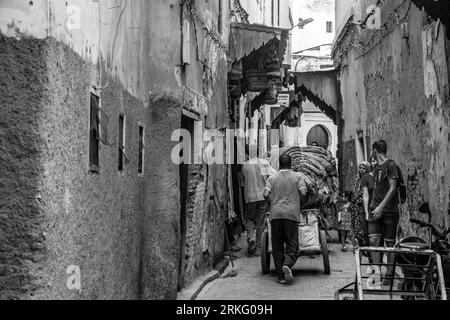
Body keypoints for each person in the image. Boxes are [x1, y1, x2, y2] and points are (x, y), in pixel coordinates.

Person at [263, 155, 308, 285]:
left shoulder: (272, 178)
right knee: (292, 244)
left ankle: (280, 276)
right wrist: (300, 202)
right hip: (292, 214)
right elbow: (304, 192)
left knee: (277, 246)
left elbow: (265, 194)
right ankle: (287, 263)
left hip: (275, 214)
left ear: (280, 164)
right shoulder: (298, 177)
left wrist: (272, 203)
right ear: (291, 164)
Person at [368, 140, 400, 284]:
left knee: (389, 244)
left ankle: (389, 275)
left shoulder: (391, 165)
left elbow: (393, 189)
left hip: (389, 211)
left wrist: (381, 207)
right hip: (374, 209)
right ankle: (376, 272)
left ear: (374, 150)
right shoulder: (376, 167)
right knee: (373, 240)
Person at [241, 146, 275, 256]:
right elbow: (272, 177)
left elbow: (242, 182)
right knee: (261, 221)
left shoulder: (245, 166)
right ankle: (259, 247)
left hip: (250, 197)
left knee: (250, 218)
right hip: (262, 196)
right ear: (257, 152)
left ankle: (251, 237)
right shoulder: (264, 163)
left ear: (248, 154)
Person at [350, 161, 375, 251]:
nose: (361, 170)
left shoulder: (368, 178)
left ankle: (365, 246)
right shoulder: (358, 179)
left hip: (363, 206)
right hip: (355, 207)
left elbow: (366, 194)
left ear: (367, 169)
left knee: (363, 227)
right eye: (360, 168)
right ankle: (358, 245)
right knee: (356, 227)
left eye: (364, 168)